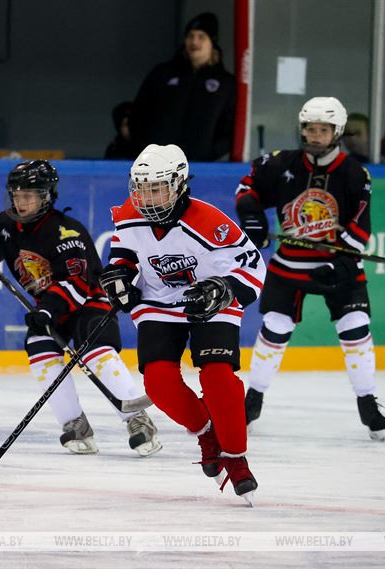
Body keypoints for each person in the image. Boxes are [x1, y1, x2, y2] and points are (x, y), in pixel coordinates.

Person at [99, 144, 264, 502]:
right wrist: (120, 278)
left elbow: (253, 267)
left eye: (156, 188)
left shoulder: (209, 222)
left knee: (218, 378)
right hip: (159, 301)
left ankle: (236, 459)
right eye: (141, 188)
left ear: (178, 185)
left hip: (210, 300)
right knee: (159, 384)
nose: (146, 198)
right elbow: (124, 253)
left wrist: (224, 288)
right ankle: (208, 434)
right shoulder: (129, 214)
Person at [0, 160, 162, 457]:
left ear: (46, 197)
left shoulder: (66, 232)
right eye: (16, 195)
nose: (20, 202)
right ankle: (74, 423)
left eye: (28, 196)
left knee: (95, 352)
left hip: (89, 303)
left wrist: (47, 311)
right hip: (49, 308)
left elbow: (76, 283)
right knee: (40, 350)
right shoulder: (8, 223)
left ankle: (137, 419)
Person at [234, 96, 385, 442]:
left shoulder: (354, 173)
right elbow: (247, 187)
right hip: (289, 264)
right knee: (275, 327)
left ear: (338, 132)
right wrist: (252, 216)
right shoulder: (281, 163)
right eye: (310, 129)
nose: (315, 136)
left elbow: (360, 227)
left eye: (323, 130)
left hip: (339, 263)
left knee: (355, 325)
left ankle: (367, 401)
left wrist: (339, 263)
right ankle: (253, 399)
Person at [129, 12, 235, 162]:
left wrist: (208, 153)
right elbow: (138, 114)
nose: (194, 42)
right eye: (190, 36)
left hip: (201, 167)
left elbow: (230, 128)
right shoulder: (162, 74)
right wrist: (148, 150)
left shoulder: (226, 84)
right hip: (157, 165)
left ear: (212, 42)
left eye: (201, 37)